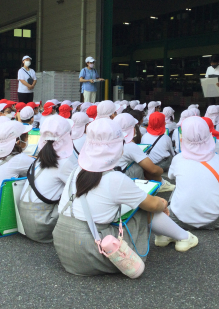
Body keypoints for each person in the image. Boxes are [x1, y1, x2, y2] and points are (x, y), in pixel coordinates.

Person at [53, 118, 197, 277]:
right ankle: (183, 236)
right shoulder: (115, 179)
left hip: (64, 246)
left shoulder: (76, 171)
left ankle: (165, 236)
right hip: (92, 250)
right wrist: (162, 203)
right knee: (144, 208)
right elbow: (153, 205)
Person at [18, 115, 78, 243]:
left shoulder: (41, 157)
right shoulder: (64, 163)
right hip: (42, 223)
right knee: (78, 194)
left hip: (23, 221)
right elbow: (79, 188)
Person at [167, 117, 219, 230]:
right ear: (208, 133)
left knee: (178, 187)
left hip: (179, 220)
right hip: (215, 221)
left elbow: (171, 176)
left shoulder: (178, 159)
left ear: (183, 137)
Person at [114, 113, 175, 192]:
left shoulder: (110, 141)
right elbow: (153, 170)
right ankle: (162, 183)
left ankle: (161, 183)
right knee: (143, 165)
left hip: (113, 176)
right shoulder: (129, 145)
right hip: (123, 180)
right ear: (132, 129)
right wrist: (161, 171)